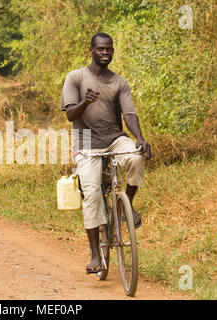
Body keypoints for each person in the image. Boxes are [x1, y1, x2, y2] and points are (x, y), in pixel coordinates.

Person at [60, 33, 152, 274]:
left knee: (136, 155)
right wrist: (85, 103)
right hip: (86, 142)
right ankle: (94, 256)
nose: (105, 53)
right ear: (90, 50)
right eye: (100, 49)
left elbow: (129, 114)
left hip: (114, 138)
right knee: (91, 194)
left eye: (109, 49)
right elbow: (70, 114)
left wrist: (140, 139)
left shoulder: (119, 82)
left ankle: (126, 205)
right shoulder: (76, 78)